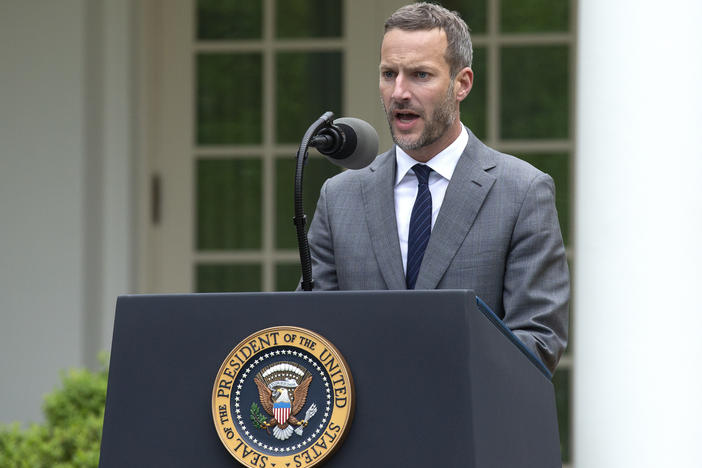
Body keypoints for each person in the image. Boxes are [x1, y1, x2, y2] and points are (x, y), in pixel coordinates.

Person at [305, 2, 569, 373]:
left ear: (461, 84)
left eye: (420, 75)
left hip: (467, 425)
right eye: (388, 73)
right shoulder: (339, 198)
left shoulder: (522, 192)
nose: (399, 92)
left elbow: (538, 340)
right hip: (363, 428)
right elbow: (307, 332)